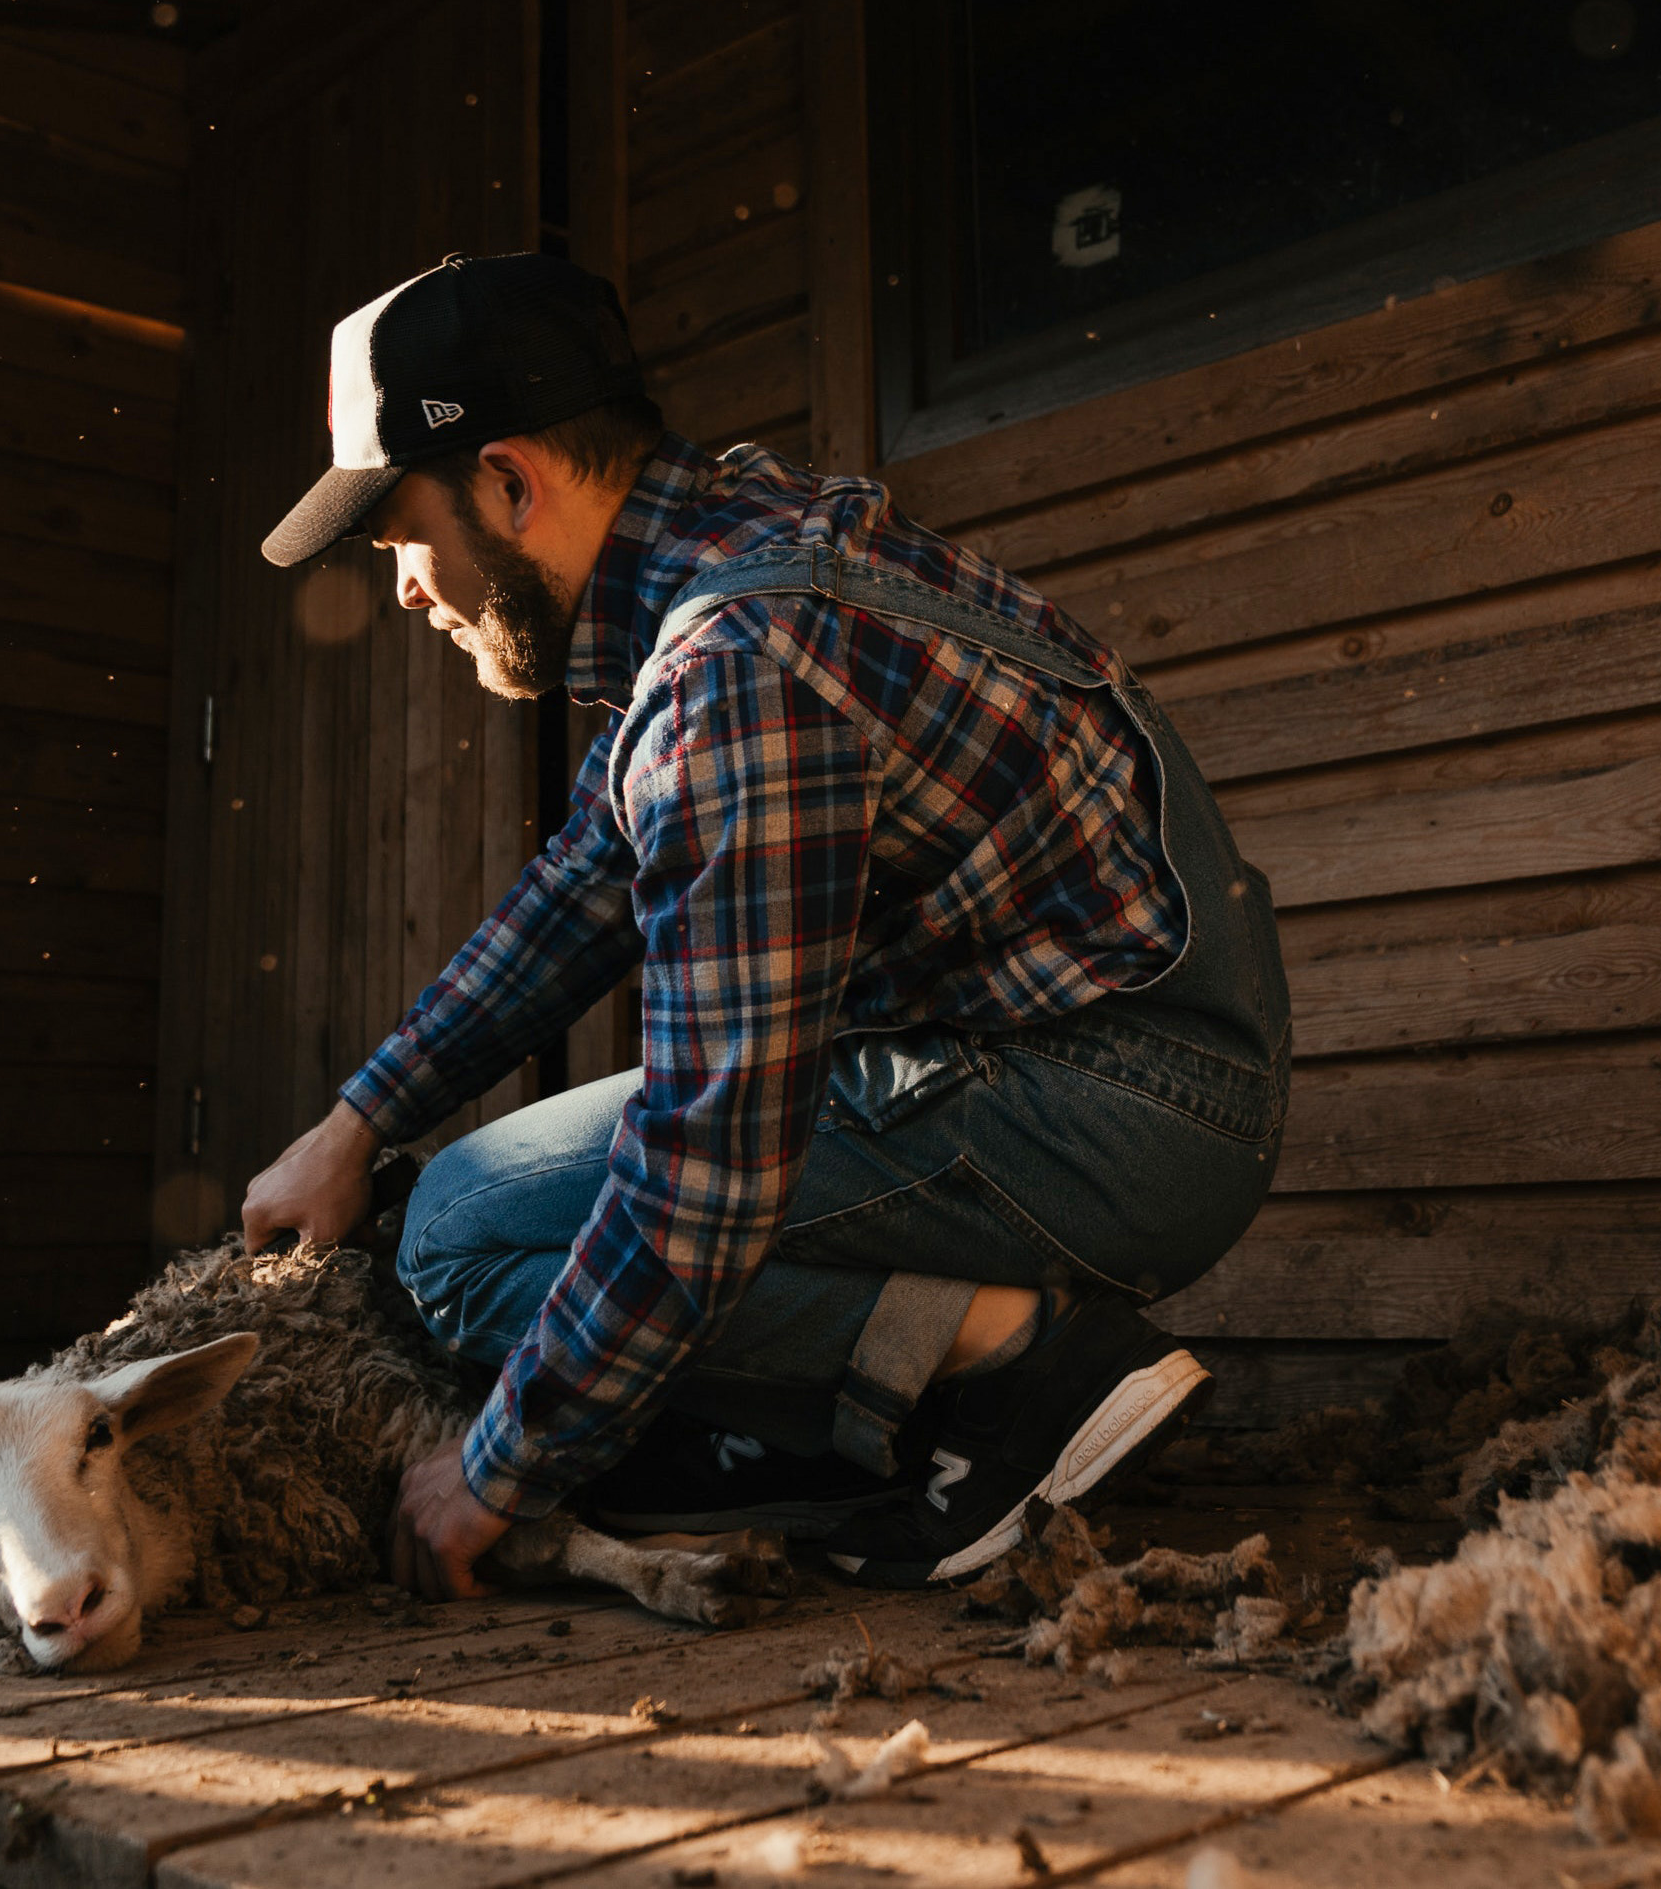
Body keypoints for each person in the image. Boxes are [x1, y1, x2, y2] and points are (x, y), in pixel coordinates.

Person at [241, 252, 1289, 1599]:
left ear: (510, 482)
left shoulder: (731, 669)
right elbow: (585, 884)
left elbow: (710, 1165)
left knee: (456, 1240)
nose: (405, 591)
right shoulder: (726, 545)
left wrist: (501, 1467)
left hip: (1120, 1109)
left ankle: (1014, 1371)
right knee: (463, 1200)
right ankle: (902, 1399)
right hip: (1104, 1068)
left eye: (401, 540)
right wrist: (357, 1123)